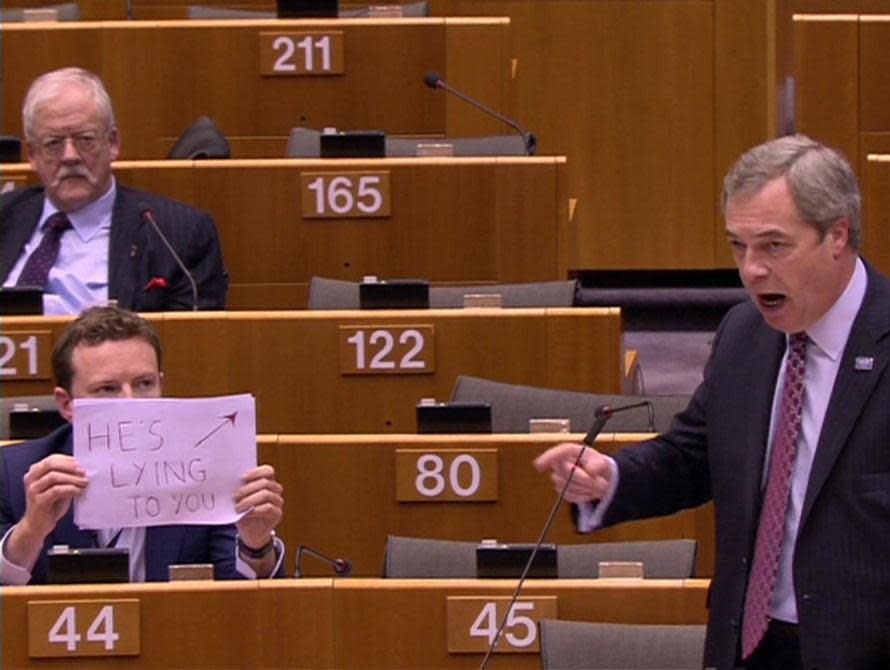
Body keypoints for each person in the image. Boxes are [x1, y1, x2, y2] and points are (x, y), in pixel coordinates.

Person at [535, 135, 890, 670]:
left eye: (774, 245)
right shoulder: (745, 333)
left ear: (837, 235)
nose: (751, 270)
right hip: (749, 644)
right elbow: (694, 454)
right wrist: (612, 478)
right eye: (738, 246)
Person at [0, 306, 284, 584]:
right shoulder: (13, 473)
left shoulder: (205, 468)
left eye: (144, 384)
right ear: (67, 404)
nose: (131, 402)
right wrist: (32, 530)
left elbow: (243, 607)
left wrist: (256, 545)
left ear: (161, 385)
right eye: (107, 389)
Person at [0, 67, 227, 314]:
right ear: (33, 155)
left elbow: (191, 341)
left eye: (85, 139)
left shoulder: (176, 234)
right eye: (53, 144)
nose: (70, 156)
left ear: (112, 144)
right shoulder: (6, 215)